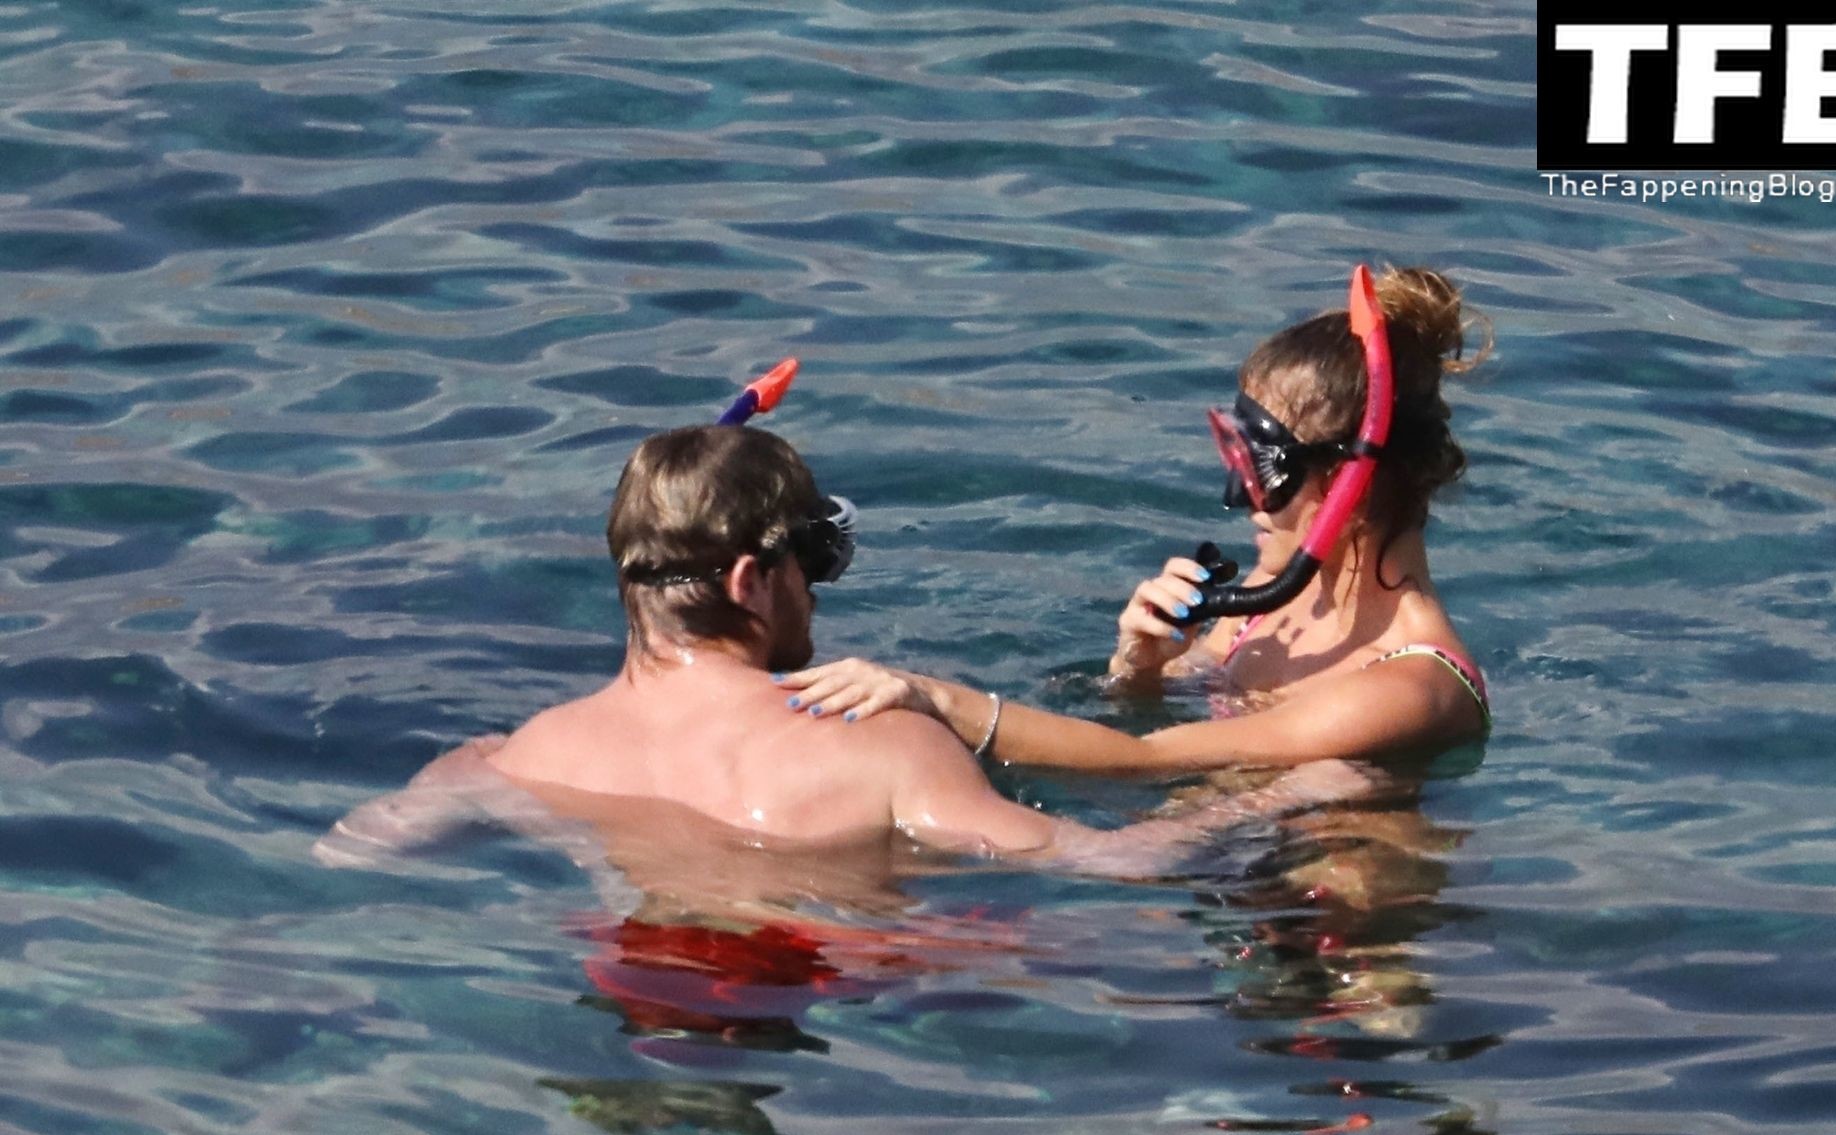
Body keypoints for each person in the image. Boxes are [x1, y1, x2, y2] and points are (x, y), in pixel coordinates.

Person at [316, 422, 1376, 890]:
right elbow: (1116, 864)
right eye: (813, 558)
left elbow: (349, 854)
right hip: (816, 996)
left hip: (632, 994)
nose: (817, 589)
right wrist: (1291, 793)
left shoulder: (521, 756)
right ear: (749, 580)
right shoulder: (880, 746)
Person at [779, 264, 1492, 774]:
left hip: (1332, 925)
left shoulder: (1407, 688)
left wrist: (936, 697)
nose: (1240, 497)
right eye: (1234, 455)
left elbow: (1143, 760)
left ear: (1351, 487)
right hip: (1231, 872)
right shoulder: (1271, 602)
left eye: (1261, 469)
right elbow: (1144, 725)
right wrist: (1140, 669)